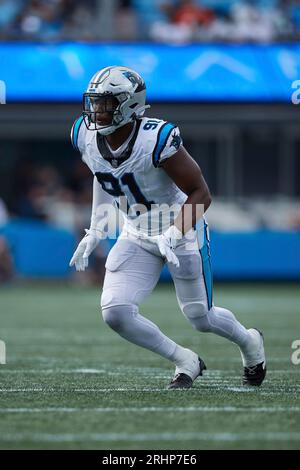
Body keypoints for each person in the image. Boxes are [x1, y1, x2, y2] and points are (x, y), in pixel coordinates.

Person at [69, 65, 266, 389]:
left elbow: (201, 193)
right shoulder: (84, 134)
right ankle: (184, 360)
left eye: (105, 104)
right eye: (94, 103)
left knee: (200, 317)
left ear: (129, 105)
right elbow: (102, 174)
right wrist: (97, 229)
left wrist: (173, 233)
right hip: (136, 231)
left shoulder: (157, 138)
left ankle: (250, 344)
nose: (96, 111)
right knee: (115, 311)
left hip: (181, 231)